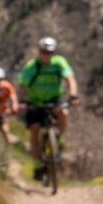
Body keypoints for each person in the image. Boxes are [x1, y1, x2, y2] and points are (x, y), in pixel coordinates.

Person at [17, 36, 79, 180]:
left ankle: (58, 140)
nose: (47, 55)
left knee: (63, 112)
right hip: (35, 102)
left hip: (53, 100)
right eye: (44, 52)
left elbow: (70, 79)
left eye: (50, 52)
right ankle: (38, 164)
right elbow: (22, 85)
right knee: (34, 131)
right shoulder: (32, 66)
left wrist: (73, 96)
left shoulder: (59, 63)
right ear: (39, 52)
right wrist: (22, 100)